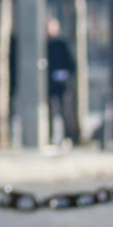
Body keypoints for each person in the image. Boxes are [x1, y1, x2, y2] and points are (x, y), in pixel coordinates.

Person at [45, 17, 78, 146]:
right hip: (49, 84)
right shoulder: (44, 44)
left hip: (62, 83)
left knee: (65, 111)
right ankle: (51, 136)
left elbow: (71, 63)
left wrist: (65, 74)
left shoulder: (62, 43)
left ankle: (67, 136)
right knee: (50, 111)